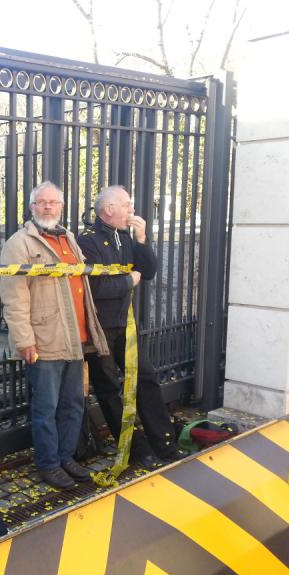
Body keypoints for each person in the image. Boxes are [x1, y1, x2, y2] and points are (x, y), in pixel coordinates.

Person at [0, 181, 109, 489]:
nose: (48, 207)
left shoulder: (69, 238)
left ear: (61, 206)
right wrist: (24, 340)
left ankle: (66, 457)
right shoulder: (19, 244)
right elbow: (14, 297)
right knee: (46, 408)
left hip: (76, 336)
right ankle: (49, 464)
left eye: (53, 202)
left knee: (73, 403)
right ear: (31, 207)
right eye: (42, 202)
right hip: (45, 338)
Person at [77, 185, 184, 467]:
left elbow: (148, 271)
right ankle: (137, 451)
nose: (132, 210)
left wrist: (142, 239)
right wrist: (129, 281)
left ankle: (165, 444)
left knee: (146, 379)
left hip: (125, 324)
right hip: (98, 329)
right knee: (110, 390)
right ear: (108, 209)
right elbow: (96, 288)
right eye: (127, 205)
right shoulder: (87, 241)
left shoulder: (125, 237)